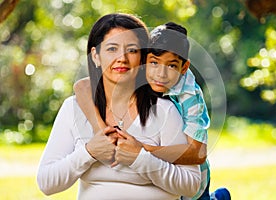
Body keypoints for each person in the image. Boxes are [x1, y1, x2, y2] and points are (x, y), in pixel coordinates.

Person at [37, 13, 202, 200]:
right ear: (95, 56)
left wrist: (140, 158)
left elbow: (191, 185)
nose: (122, 58)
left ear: (142, 59)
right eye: (112, 49)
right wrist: (89, 152)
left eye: (132, 50)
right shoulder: (73, 109)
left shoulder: (165, 111)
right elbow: (46, 183)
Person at [74, 22, 230, 200]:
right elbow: (82, 86)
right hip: (159, 175)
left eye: (171, 66)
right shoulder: (138, 72)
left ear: (184, 68)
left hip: (192, 180)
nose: (161, 74)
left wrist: (141, 150)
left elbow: (198, 153)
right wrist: (101, 131)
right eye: (154, 62)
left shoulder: (189, 95)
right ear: (144, 60)